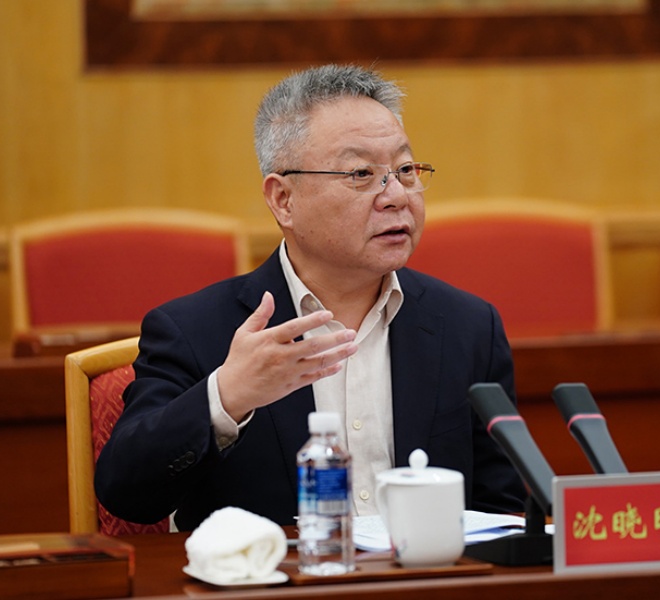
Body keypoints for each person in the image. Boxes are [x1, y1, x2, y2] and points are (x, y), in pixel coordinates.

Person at [95, 64, 526, 531]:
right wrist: (227, 397)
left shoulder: (468, 326)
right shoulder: (197, 330)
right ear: (284, 200)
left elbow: (501, 509)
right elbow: (127, 494)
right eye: (361, 173)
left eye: (405, 170)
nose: (397, 196)